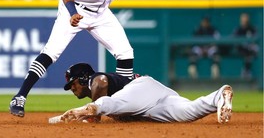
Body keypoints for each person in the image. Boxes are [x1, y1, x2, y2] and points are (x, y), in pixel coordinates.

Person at [9, 0, 176, 117]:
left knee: (125, 52)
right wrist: (72, 14)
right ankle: (20, 97)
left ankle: (121, 103)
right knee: (52, 52)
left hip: (101, 12)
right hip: (75, 9)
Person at [48, 62, 233, 124]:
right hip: (151, 104)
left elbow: (101, 81)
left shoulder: (95, 79)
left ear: (82, 78)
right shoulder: (95, 85)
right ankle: (219, 95)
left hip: (140, 89)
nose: (72, 88)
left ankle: (89, 110)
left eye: (73, 84)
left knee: (114, 103)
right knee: (189, 112)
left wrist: (94, 113)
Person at [233, 13, 258, 78]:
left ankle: (247, 71)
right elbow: (234, 41)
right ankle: (245, 71)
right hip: (241, 49)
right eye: (243, 19)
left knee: (255, 51)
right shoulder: (238, 29)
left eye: (246, 19)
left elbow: (256, 40)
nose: (244, 21)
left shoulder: (252, 29)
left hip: (250, 49)